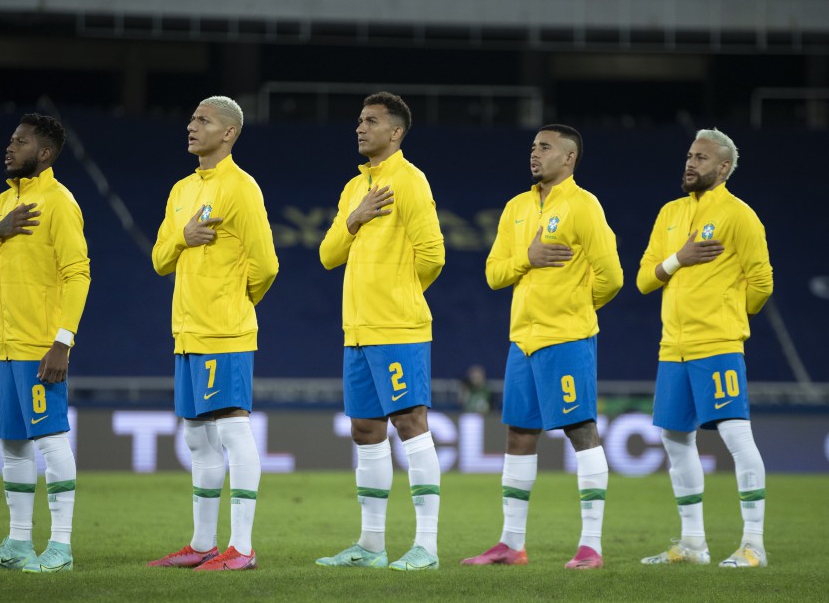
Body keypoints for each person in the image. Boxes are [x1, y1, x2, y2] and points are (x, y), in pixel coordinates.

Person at [462, 124, 622, 570]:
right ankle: (511, 544)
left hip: (567, 338)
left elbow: (611, 276)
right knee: (518, 434)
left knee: (581, 431)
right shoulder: (516, 207)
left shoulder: (584, 206)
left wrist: (573, 308)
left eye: (546, 147)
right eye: (533, 147)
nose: (535, 154)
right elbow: (495, 274)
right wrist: (526, 259)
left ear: (569, 157)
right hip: (523, 341)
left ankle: (591, 546)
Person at [148, 96, 279, 571]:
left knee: (231, 430)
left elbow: (266, 264)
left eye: (203, 119)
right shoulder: (182, 190)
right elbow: (160, 257)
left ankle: (241, 548)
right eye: (191, 117)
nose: (190, 125)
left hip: (223, 331)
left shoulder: (241, 188)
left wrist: (235, 303)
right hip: (185, 332)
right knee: (199, 440)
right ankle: (203, 544)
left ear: (229, 133)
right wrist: (183, 235)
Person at [316, 92, 445, 571]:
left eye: (370, 121)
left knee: (410, 423)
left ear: (395, 132)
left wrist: (399, 294)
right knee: (364, 429)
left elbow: (433, 255)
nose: (359, 128)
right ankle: (371, 546)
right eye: (358, 120)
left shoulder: (410, 181)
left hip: (397, 326)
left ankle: (426, 547)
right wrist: (355, 219)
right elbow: (329, 254)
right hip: (357, 329)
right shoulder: (355, 189)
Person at [637, 128, 773, 568]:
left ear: (724, 168)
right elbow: (644, 279)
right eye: (690, 155)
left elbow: (762, 283)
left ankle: (754, 545)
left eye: (702, 158)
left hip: (716, 343)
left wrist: (727, 314)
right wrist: (680, 258)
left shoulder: (740, 216)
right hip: (671, 348)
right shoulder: (670, 214)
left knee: (736, 436)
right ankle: (693, 544)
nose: (691, 163)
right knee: (676, 440)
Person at [0, 113, 89, 573]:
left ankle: (60, 548)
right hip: (4, 344)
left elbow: (78, 274)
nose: (10, 147)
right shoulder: (3, 203)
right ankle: (18, 544)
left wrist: (62, 341)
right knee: (13, 445)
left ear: (45, 153)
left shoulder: (59, 202)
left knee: (51, 441)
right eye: (11, 139)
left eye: (20, 141)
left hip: (40, 346)